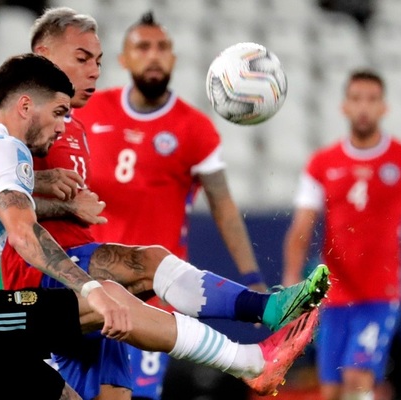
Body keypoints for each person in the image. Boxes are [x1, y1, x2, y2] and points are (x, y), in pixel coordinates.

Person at [0, 52, 323, 400]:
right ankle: (249, 362)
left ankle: (252, 355)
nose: (65, 125)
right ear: (26, 106)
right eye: (60, 112)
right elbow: (24, 232)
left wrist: (44, 184)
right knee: (110, 294)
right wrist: (90, 291)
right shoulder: (4, 147)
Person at [75, 11, 272, 399]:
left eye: (162, 47)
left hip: (154, 295)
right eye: (143, 47)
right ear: (124, 59)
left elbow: (223, 206)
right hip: (89, 287)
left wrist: (251, 277)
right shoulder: (91, 111)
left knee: (139, 395)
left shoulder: (193, 128)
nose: (154, 56)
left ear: (174, 59)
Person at [282, 69, 401, 400]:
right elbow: (301, 228)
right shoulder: (322, 163)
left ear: (384, 108)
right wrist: (292, 280)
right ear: (344, 107)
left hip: (380, 294)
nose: (363, 107)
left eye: (371, 99)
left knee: (358, 376)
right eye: (356, 99)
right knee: (331, 390)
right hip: (334, 295)